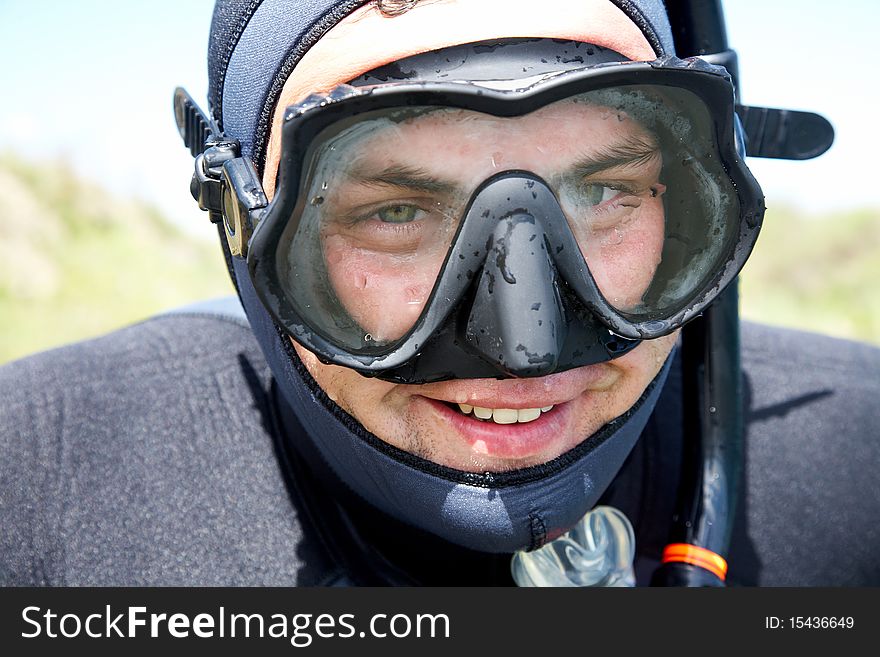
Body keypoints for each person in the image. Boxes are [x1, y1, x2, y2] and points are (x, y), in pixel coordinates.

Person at [1, 0, 878, 587]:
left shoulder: (859, 457)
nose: (522, 343)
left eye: (605, 191)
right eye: (394, 209)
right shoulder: (37, 494)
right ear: (239, 218)